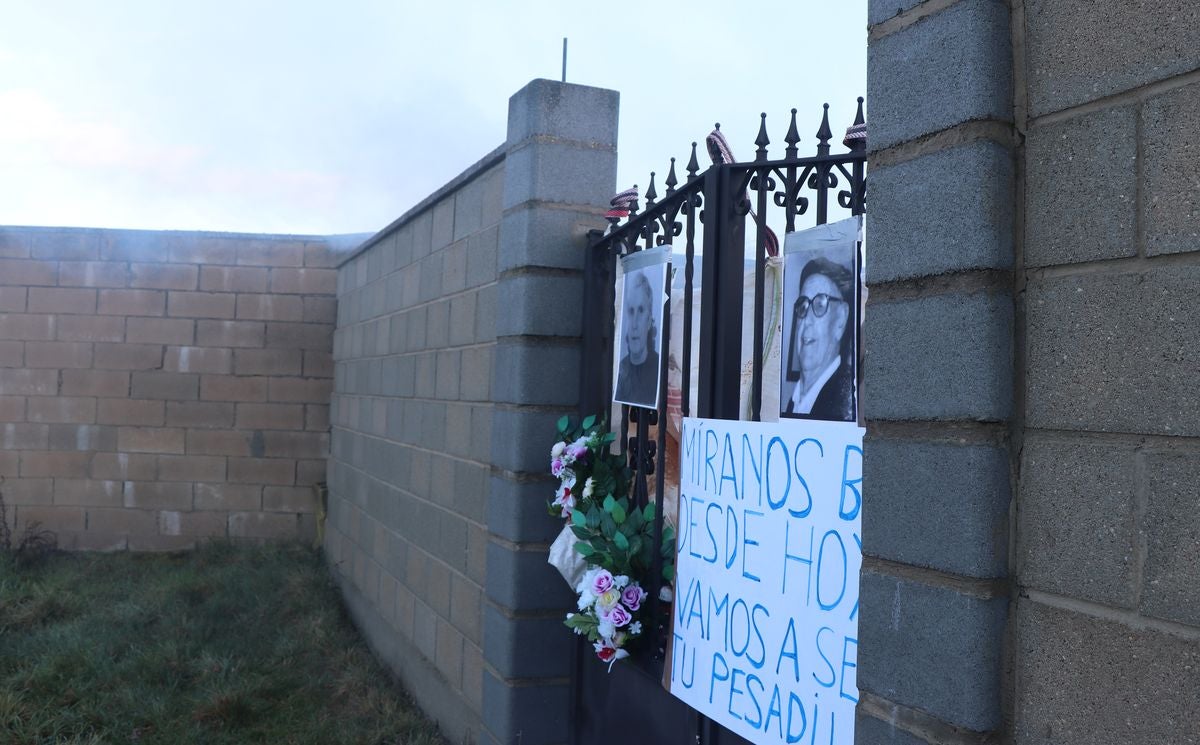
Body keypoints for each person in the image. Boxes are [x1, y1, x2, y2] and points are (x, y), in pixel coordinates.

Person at [782, 257, 855, 421]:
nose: (806, 319)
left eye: (820, 304)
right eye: (803, 305)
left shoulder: (845, 405)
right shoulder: (794, 401)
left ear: (841, 320)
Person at [614, 270, 660, 407]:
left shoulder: (659, 370)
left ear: (649, 319)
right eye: (630, 311)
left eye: (641, 310)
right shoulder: (620, 370)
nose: (634, 324)